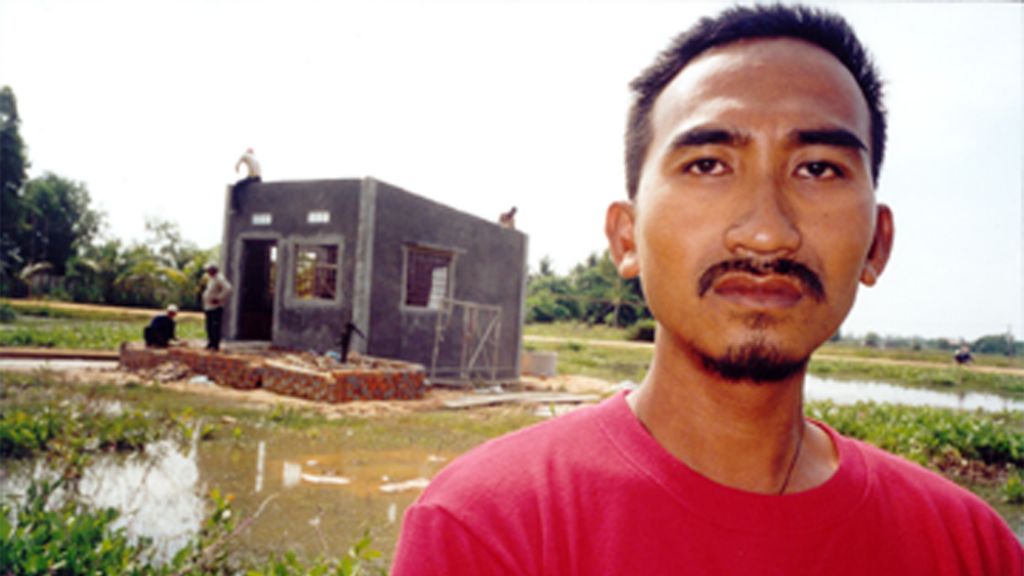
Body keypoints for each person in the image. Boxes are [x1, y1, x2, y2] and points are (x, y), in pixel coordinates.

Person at [392, 5, 1022, 574]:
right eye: (708, 165)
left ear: (877, 244)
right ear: (627, 236)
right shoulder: (487, 531)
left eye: (818, 168)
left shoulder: (971, 549)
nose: (767, 233)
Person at [202, 263, 232, 351]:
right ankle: (210, 343)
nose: (208, 272)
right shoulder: (212, 279)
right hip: (208, 306)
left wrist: (219, 298)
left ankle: (215, 345)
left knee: (215, 326)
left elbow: (228, 288)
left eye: (209, 270)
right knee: (209, 326)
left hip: (216, 307)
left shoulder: (219, 278)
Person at [232, 147, 262, 212]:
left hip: (252, 178)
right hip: (258, 179)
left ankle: (236, 208)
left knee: (237, 186)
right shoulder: (255, 159)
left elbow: (240, 160)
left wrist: (237, 167)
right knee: (244, 183)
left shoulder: (246, 155)